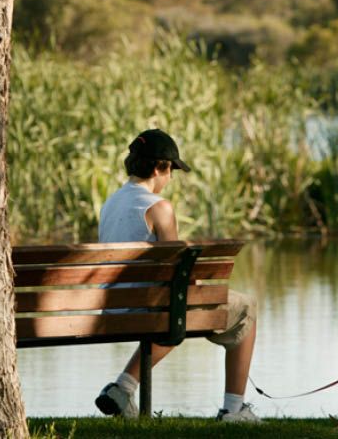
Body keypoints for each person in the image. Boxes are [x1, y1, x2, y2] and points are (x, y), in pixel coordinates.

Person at [94, 128, 260, 422]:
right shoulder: (160, 208)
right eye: (171, 171)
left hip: (114, 308)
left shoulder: (111, 203)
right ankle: (234, 409)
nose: (170, 179)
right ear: (160, 167)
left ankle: (124, 388)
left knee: (172, 313)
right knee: (246, 308)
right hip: (150, 309)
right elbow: (175, 272)